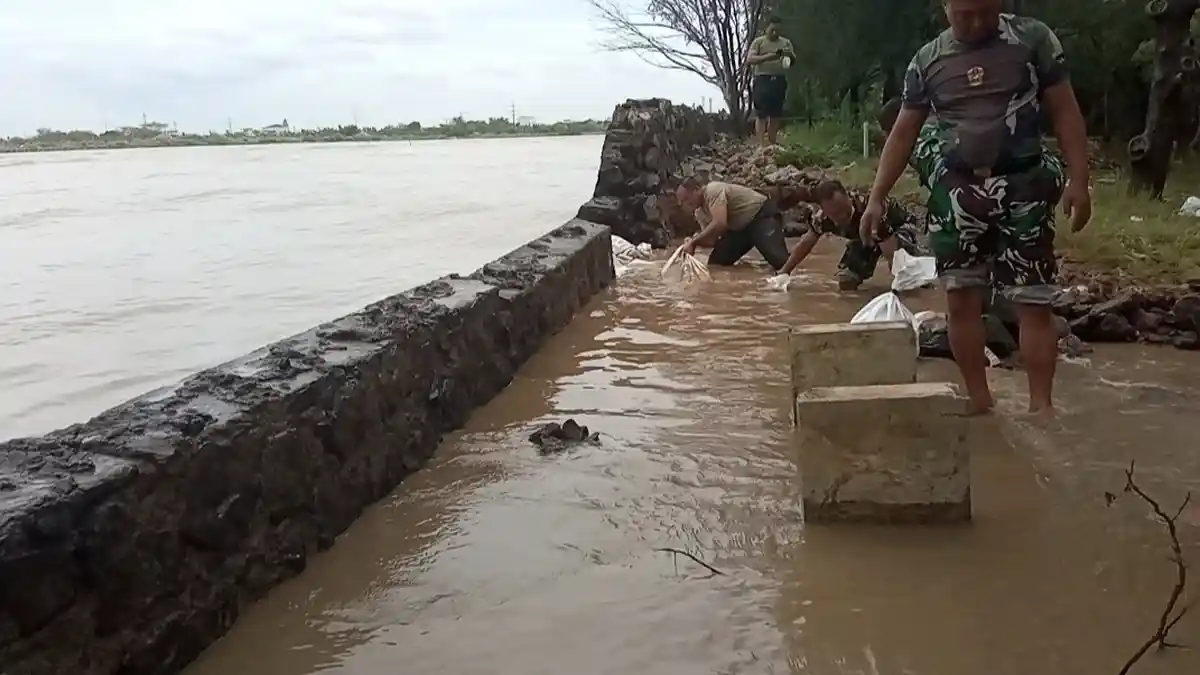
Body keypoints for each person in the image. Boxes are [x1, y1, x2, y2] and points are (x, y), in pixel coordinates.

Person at [861, 0, 1092, 415]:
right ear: (944, 7)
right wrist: (877, 196)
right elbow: (903, 133)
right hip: (958, 192)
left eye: (985, 10)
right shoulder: (928, 60)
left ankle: (1041, 408)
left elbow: (1065, 109)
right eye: (964, 13)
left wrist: (1079, 180)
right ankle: (979, 398)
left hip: (1025, 184)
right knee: (961, 300)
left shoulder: (1033, 39)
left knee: (1033, 302)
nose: (976, 22)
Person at [779, 179, 922, 290]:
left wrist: (898, 287)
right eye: (835, 214)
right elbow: (806, 243)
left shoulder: (867, 209)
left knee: (907, 275)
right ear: (824, 210)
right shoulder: (821, 218)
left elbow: (892, 255)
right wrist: (784, 272)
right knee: (846, 281)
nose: (841, 217)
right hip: (865, 236)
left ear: (848, 197)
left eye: (845, 210)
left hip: (898, 228)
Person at [676, 178, 790, 271]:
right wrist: (694, 242)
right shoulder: (699, 213)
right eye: (681, 202)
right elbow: (711, 241)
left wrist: (694, 242)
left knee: (780, 262)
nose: (684, 204)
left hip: (761, 215)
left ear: (697, 189)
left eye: (686, 198)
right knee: (716, 264)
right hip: (739, 228)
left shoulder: (712, 190)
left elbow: (720, 223)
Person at [746, 16, 795, 146]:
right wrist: (769, 56)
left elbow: (792, 62)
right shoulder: (758, 42)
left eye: (777, 30)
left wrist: (788, 56)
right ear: (767, 28)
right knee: (761, 113)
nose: (775, 33)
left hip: (779, 79)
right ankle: (761, 145)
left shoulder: (786, 43)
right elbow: (750, 59)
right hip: (762, 79)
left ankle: (772, 143)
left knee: (775, 113)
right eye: (772, 29)